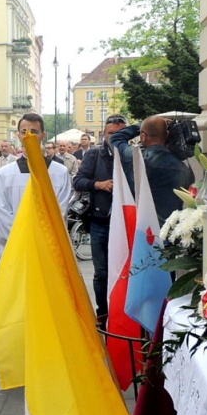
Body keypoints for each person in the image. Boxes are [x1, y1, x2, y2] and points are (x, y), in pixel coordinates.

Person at [0, 113, 74, 254]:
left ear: (43, 135)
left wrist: (40, 238)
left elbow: (59, 211)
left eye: (34, 132)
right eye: (24, 132)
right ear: (18, 135)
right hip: (16, 244)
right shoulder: (6, 173)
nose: (28, 136)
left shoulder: (59, 172)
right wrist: (20, 238)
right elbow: (2, 211)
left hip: (48, 245)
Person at [73, 115, 129, 317]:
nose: (114, 138)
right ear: (104, 134)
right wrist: (99, 184)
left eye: (120, 134)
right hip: (100, 222)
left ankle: (121, 313)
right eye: (110, 133)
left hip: (126, 223)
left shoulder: (133, 155)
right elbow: (78, 181)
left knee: (126, 272)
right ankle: (103, 314)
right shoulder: (95, 154)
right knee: (102, 272)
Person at [109, 116, 194, 225]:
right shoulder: (183, 167)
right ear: (166, 135)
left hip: (140, 229)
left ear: (143, 136)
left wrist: (140, 126)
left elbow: (115, 138)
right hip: (170, 230)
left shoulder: (134, 157)